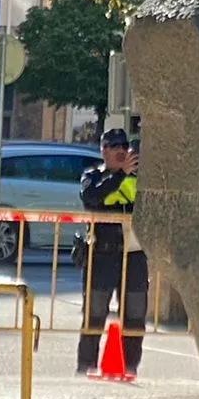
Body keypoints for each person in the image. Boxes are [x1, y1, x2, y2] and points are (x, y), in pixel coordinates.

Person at [77, 127, 146, 377]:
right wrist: (119, 176)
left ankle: (129, 369)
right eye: (113, 146)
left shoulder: (139, 178)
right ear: (103, 150)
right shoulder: (92, 177)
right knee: (94, 316)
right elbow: (92, 198)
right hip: (102, 254)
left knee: (135, 317)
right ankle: (86, 368)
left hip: (134, 254)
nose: (120, 151)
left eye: (123, 146)